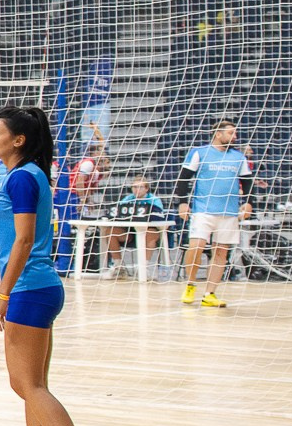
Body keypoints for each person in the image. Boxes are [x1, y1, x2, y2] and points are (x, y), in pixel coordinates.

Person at [0, 104, 112, 426]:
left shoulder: (22, 178)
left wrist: (1, 295)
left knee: (27, 385)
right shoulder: (29, 174)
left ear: (18, 140)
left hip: (28, 289)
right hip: (37, 287)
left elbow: (22, 241)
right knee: (32, 385)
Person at [177, 119, 252, 308]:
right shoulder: (199, 153)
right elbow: (183, 178)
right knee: (196, 246)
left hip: (228, 211)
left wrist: (249, 203)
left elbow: (248, 182)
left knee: (221, 252)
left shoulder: (238, 158)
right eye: (231, 133)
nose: (234, 137)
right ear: (218, 134)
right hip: (203, 210)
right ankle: (190, 284)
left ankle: (210, 293)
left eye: (235, 134)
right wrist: (183, 203)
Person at [101, 175, 171, 277]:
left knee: (151, 233)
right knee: (110, 231)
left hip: (147, 232)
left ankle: (143, 268)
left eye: (140, 187)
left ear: (147, 189)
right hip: (130, 233)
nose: (137, 190)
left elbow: (159, 217)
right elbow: (116, 212)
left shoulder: (154, 200)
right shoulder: (128, 199)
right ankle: (118, 267)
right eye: (134, 187)